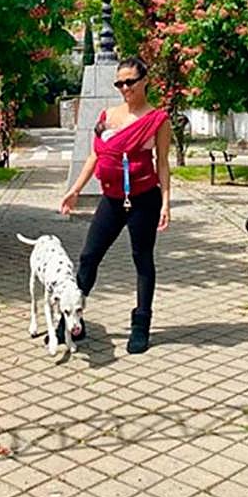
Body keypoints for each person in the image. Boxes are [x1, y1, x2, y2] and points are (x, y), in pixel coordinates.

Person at [60, 57, 170, 354]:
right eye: (119, 83)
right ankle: (70, 320)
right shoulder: (109, 115)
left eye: (129, 82)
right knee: (89, 255)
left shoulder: (158, 119)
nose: (124, 88)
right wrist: (75, 190)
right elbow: (95, 156)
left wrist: (166, 203)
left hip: (145, 199)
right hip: (111, 199)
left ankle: (141, 324)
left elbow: (163, 163)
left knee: (142, 258)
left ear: (144, 80)